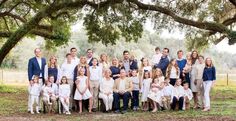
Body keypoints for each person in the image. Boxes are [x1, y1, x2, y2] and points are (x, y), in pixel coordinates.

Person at [28, 48, 46, 112]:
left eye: (39, 51)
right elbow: (29, 70)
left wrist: (45, 79)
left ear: (41, 52)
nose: (38, 53)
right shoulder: (31, 60)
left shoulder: (44, 60)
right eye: (36, 52)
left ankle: (39, 108)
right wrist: (30, 79)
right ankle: (30, 108)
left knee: (40, 94)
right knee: (32, 93)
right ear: (35, 53)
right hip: (34, 80)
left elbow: (45, 70)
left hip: (41, 79)